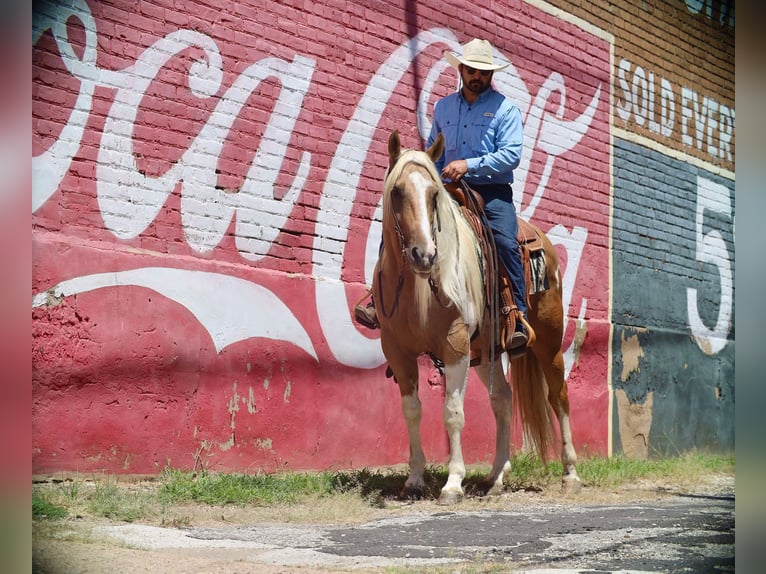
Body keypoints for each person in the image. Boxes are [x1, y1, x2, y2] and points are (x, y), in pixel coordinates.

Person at [355, 38, 529, 354]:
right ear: (461, 69)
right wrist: (424, 168)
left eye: (484, 72)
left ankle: (516, 315)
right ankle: (378, 299)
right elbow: (435, 148)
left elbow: (511, 155)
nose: (478, 76)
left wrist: (468, 164)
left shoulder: (505, 110)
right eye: (472, 70)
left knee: (505, 240)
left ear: (491, 75)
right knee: (402, 223)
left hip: (490, 192)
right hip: (446, 187)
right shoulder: (443, 107)